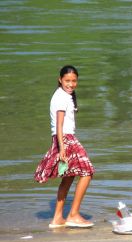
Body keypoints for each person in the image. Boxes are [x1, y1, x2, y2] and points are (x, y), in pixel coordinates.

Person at [34, 65, 95, 228]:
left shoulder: (63, 95)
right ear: (60, 80)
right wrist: (62, 148)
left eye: (74, 81)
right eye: (67, 80)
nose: (71, 84)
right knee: (87, 172)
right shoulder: (61, 97)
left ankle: (58, 218)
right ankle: (73, 214)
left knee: (68, 178)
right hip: (66, 139)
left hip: (62, 138)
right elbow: (59, 125)